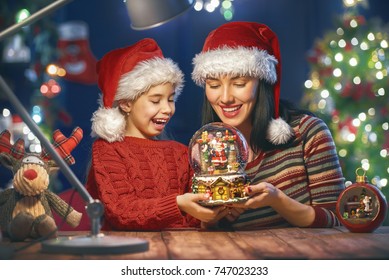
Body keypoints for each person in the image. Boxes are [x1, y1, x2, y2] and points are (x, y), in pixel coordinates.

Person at [191, 21, 345, 229]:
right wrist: (215, 218)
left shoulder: (307, 133)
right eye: (214, 85)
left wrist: (277, 200)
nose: (225, 97)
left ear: (262, 83)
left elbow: (338, 218)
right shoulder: (207, 149)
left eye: (239, 84)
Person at [85, 38, 217, 230]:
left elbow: (192, 216)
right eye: (156, 101)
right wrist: (178, 204)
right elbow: (121, 211)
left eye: (171, 100)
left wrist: (211, 215)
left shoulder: (181, 153)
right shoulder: (108, 151)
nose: (167, 109)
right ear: (126, 103)